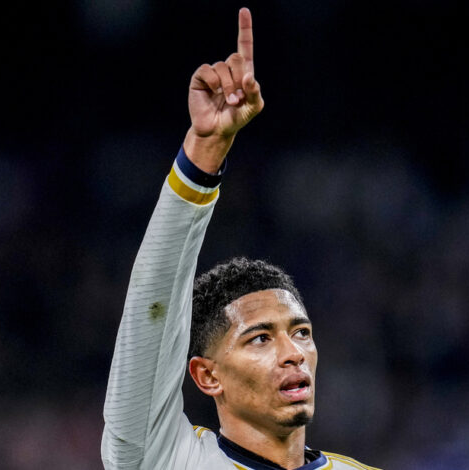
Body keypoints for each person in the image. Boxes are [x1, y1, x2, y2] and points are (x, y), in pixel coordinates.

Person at [101, 8, 380, 470]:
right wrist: (203, 155)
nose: (293, 353)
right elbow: (150, 314)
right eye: (260, 338)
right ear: (207, 376)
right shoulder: (170, 460)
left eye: (301, 333)